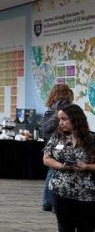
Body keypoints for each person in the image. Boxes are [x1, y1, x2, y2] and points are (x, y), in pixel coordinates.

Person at [42, 104, 95, 232]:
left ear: (76, 119)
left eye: (64, 119)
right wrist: (61, 166)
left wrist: (87, 167)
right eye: (59, 119)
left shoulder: (92, 139)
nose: (61, 123)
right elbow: (46, 158)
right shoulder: (57, 137)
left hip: (87, 194)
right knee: (65, 231)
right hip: (61, 191)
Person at [40, 84, 74, 212]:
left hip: (50, 140)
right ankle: (52, 202)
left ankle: (47, 201)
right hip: (59, 140)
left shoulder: (52, 107)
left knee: (52, 169)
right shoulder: (63, 106)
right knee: (57, 170)